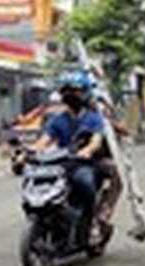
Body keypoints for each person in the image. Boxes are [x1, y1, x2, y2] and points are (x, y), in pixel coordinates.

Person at [30, 71, 107, 247]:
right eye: (66, 91)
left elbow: (96, 141)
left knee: (85, 181)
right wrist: (30, 151)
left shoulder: (93, 118)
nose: (70, 95)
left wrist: (87, 150)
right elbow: (44, 141)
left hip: (83, 164)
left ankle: (93, 221)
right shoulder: (58, 120)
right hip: (62, 164)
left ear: (84, 93)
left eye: (75, 91)